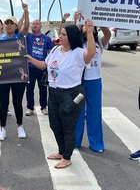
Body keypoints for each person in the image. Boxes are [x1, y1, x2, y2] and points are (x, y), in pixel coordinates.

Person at [26, 20, 96, 169]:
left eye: (64, 34)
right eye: (61, 34)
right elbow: (45, 65)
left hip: (71, 94)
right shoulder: (55, 50)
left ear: (71, 37)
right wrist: (31, 60)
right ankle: (61, 151)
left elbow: (91, 53)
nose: (60, 36)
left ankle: (67, 157)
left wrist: (89, 32)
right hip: (54, 93)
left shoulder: (78, 53)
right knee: (54, 124)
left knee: (68, 127)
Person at [70, 13, 111, 153]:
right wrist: (75, 21)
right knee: (77, 112)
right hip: (79, 83)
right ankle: (75, 141)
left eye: (91, 26)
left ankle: (96, 143)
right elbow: (70, 34)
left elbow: (107, 34)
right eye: (84, 25)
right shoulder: (77, 43)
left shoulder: (99, 41)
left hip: (94, 82)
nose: (87, 27)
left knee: (94, 113)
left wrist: (100, 19)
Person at [0, 2, 29, 141]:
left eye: (11, 23)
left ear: (16, 26)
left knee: (17, 103)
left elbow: (26, 26)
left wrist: (26, 12)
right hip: (3, 76)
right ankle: (2, 129)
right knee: (3, 103)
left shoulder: (19, 37)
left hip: (18, 76)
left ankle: (20, 127)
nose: (8, 25)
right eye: (7, 23)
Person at [25, 19, 53, 116]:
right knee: (29, 89)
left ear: (41, 26)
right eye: (33, 24)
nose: (35, 25)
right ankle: (30, 107)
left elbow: (51, 53)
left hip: (42, 67)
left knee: (43, 89)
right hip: (30, 67)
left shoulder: (47, 39)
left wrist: (49, 67)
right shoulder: (28, 37)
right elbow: (23, 28)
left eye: (37, 24)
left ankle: (44, 107)